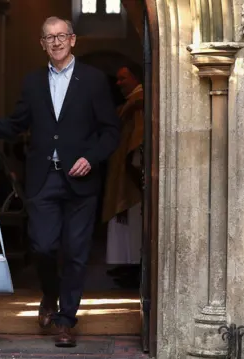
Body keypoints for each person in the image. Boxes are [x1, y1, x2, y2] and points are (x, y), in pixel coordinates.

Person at [0, 16, 120, 347]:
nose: (56, 42)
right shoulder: (32, 82)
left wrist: (90, 158)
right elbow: (17, 123)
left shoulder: (93, 80)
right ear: (42, 43)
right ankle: (50, 294)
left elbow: (111, 132)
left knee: (77, 253)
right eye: (49, 37)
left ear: (73, 39)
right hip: (43, 179)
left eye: (61, 36)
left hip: (82, 181)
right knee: (43, 246)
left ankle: (65, 321)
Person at [102, 66, 144, 289]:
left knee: (133, 220)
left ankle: (133, 264)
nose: (118, 83)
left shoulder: (139, 101)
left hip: (131, 174)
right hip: (121, 167)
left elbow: (138, 137)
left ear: (135, 78)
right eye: (117, 79)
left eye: (123, 78)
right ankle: (125, 263)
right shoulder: (131, 102)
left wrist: (136, 164)